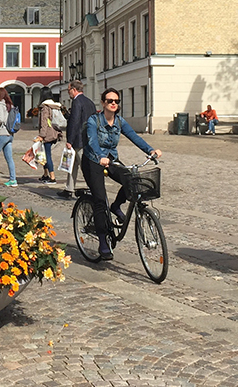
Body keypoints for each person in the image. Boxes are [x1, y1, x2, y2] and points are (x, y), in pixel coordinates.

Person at [82, 87, 162, 260]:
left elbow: (134, 136)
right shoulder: (93, 121)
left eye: (116, 101)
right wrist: (99, 156)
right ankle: (103, 241)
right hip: (92, 161)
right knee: (100, 199)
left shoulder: (119, 122)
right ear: (103, 103)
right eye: (110, 101)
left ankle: (116, 205)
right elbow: (92, 141)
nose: (113, 104)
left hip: (112, 159)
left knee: (131, 180)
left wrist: (150, 150)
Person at [60, 79, 97, 199]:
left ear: (74, 90)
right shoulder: (89, 102)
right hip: (88, 137)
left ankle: (94, 188)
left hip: (78, 139)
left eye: (69, 90)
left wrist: (69, 140)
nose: (68, 92)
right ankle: (69, 188)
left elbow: (75, 122)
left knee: (84, 166)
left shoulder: (76, 102)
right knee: (72, 164)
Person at [0, 87, 17, 187]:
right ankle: (13, 179)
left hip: (2, 133)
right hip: (10, 134)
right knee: (9, 158)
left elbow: (0, 119)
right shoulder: (10, 105)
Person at [37, 96, 64, 185]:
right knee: (44, 154)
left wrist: (42, 135)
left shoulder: (45, 107)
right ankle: (45, 174)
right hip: (55, 132)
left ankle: (52, 177)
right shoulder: (54, 106)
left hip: (48, 134)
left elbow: (44, 122)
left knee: (47, 155)